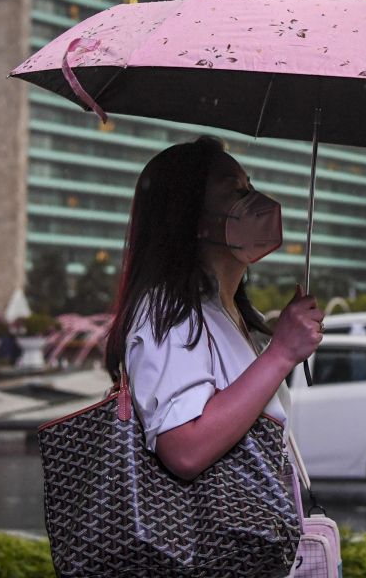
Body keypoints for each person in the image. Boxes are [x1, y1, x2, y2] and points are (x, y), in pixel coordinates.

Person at [102, 135, 324, 494]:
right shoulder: (171, 312)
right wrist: (282, 353)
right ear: (192, 219)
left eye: (250, 187)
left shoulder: (229, 313)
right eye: (236, 192)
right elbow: (184, 448)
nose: (257, 202)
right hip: (212, 546)